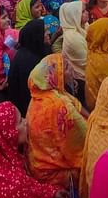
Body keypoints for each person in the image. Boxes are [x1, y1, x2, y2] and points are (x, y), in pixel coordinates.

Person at [26, 53, 87, 188]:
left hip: (37, 164)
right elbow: (83, 139)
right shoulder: (59, 106)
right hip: (52, 173)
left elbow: (77, 107)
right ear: (55, 75)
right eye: (65, 67)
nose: (70, 68)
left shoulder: (38, 96)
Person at [8, 20, 52, 116]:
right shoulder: (28, 61)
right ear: (36, 36)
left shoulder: (38, 49)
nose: (49, 33)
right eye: (44, 31)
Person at [58, 1, 89, 105]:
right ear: (74, 16)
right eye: (83, 11)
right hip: (82, 79)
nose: (87, 13)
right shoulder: (72, 37)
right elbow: (87, 62)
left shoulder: (83, 26)